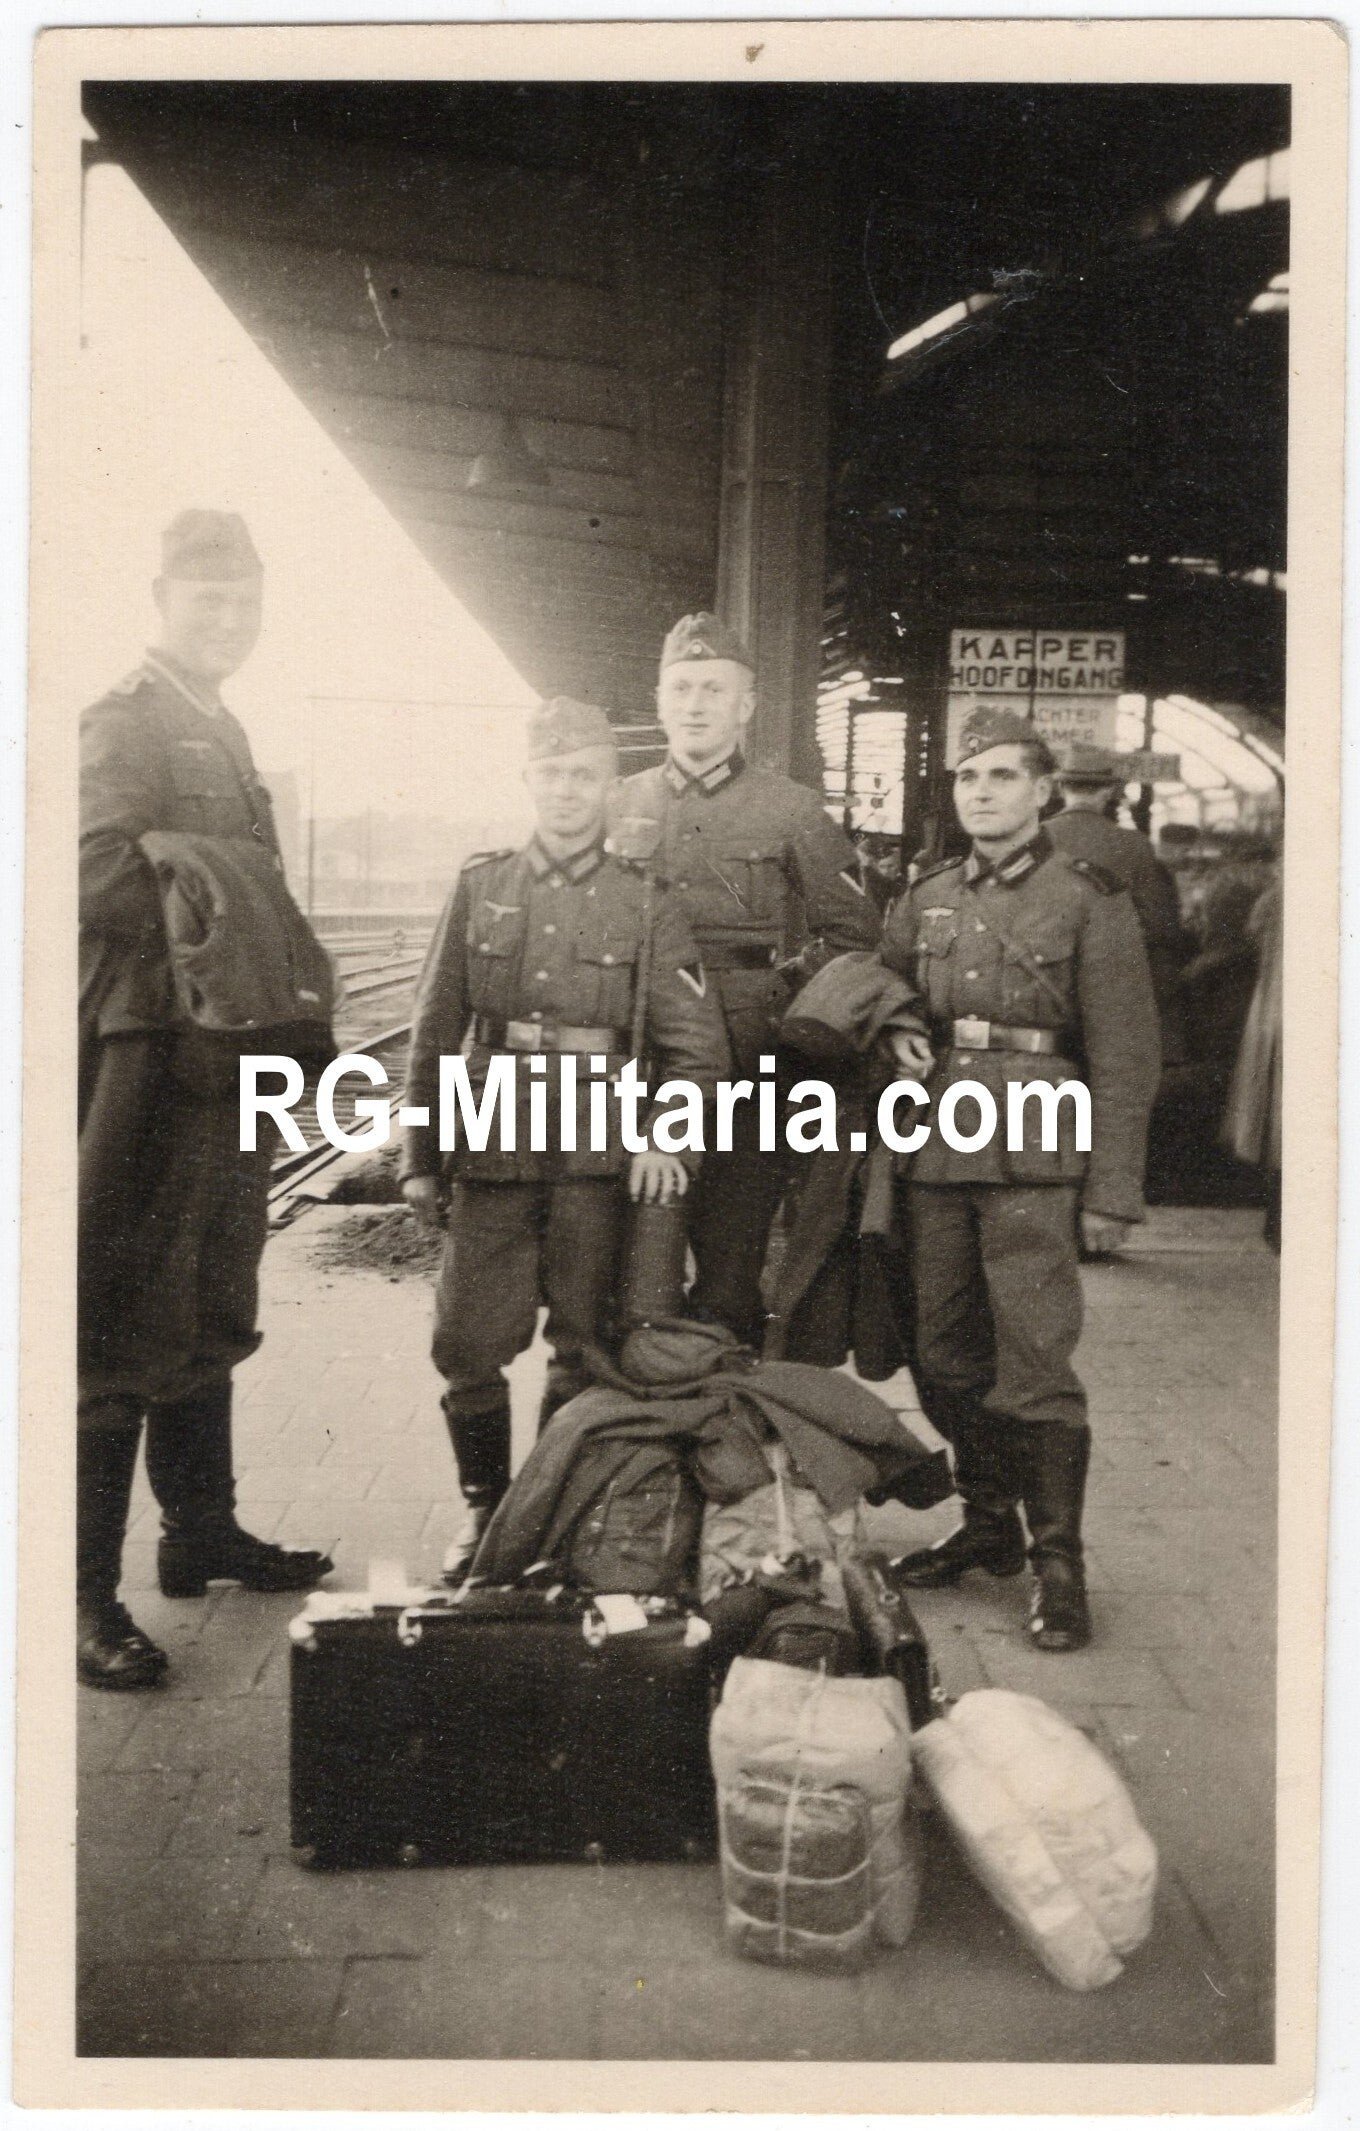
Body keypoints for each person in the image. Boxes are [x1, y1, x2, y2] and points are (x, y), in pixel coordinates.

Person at [78, 510, 333, 1692]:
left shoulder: (218, 726)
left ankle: (202, 1532)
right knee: (124, 1315)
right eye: (207, 601)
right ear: (162, 595)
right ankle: (88, 1600)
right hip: (150, 1063)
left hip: (221, 1060)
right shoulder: (123, 720)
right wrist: (219, 922)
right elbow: (96, 875)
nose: (227, 621)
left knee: (210, 1294)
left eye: (245, 604)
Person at [400, 696, 729, 1585]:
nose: (568, 791)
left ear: (612, 788)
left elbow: (698, 1048)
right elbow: (433, 1030)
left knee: (583, 1341)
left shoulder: (647, 902)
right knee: (467, 1338)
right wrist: (421, 1157)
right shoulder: (483, 885)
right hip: (493, 1140)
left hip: (597, 1154)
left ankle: (542, 1517)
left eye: (585, 774)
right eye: (552, 773)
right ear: (527, 780)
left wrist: (668, 1135)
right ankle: (483, 1507)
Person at [878, 707, 1161, 1651]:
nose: (983, 793)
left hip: (1038, 1144)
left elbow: (1126, 1051)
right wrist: (893, 1027)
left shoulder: (1089, 896)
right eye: (970, 779)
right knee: (944, 1351)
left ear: (1044, 793)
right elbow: (884, 987)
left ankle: (1058, 1564)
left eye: (1003, 777)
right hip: (939, 1142)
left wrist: (1114, 1189)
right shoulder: (926, 895)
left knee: (1034, 1360)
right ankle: (988, 1522)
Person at [613, 614, 881, 1344]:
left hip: (749, 1063)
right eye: (682, 688)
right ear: (660, 700)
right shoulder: (618, 802)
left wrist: (785, 1000)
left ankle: (723, 1424)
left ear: (747, 706)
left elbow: (856, 934)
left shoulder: (790, 807)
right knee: (629, 1260)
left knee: (732, 1260)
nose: (696, 703)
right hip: (634, 1056)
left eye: (714, 688)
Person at [1047, 748, 1191, 1065]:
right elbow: (1160, 927)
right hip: (1111, 997)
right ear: (1109, 791)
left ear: (1060, 789)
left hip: (1042, 997)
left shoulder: (1034, 838)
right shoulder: (1134, 845)